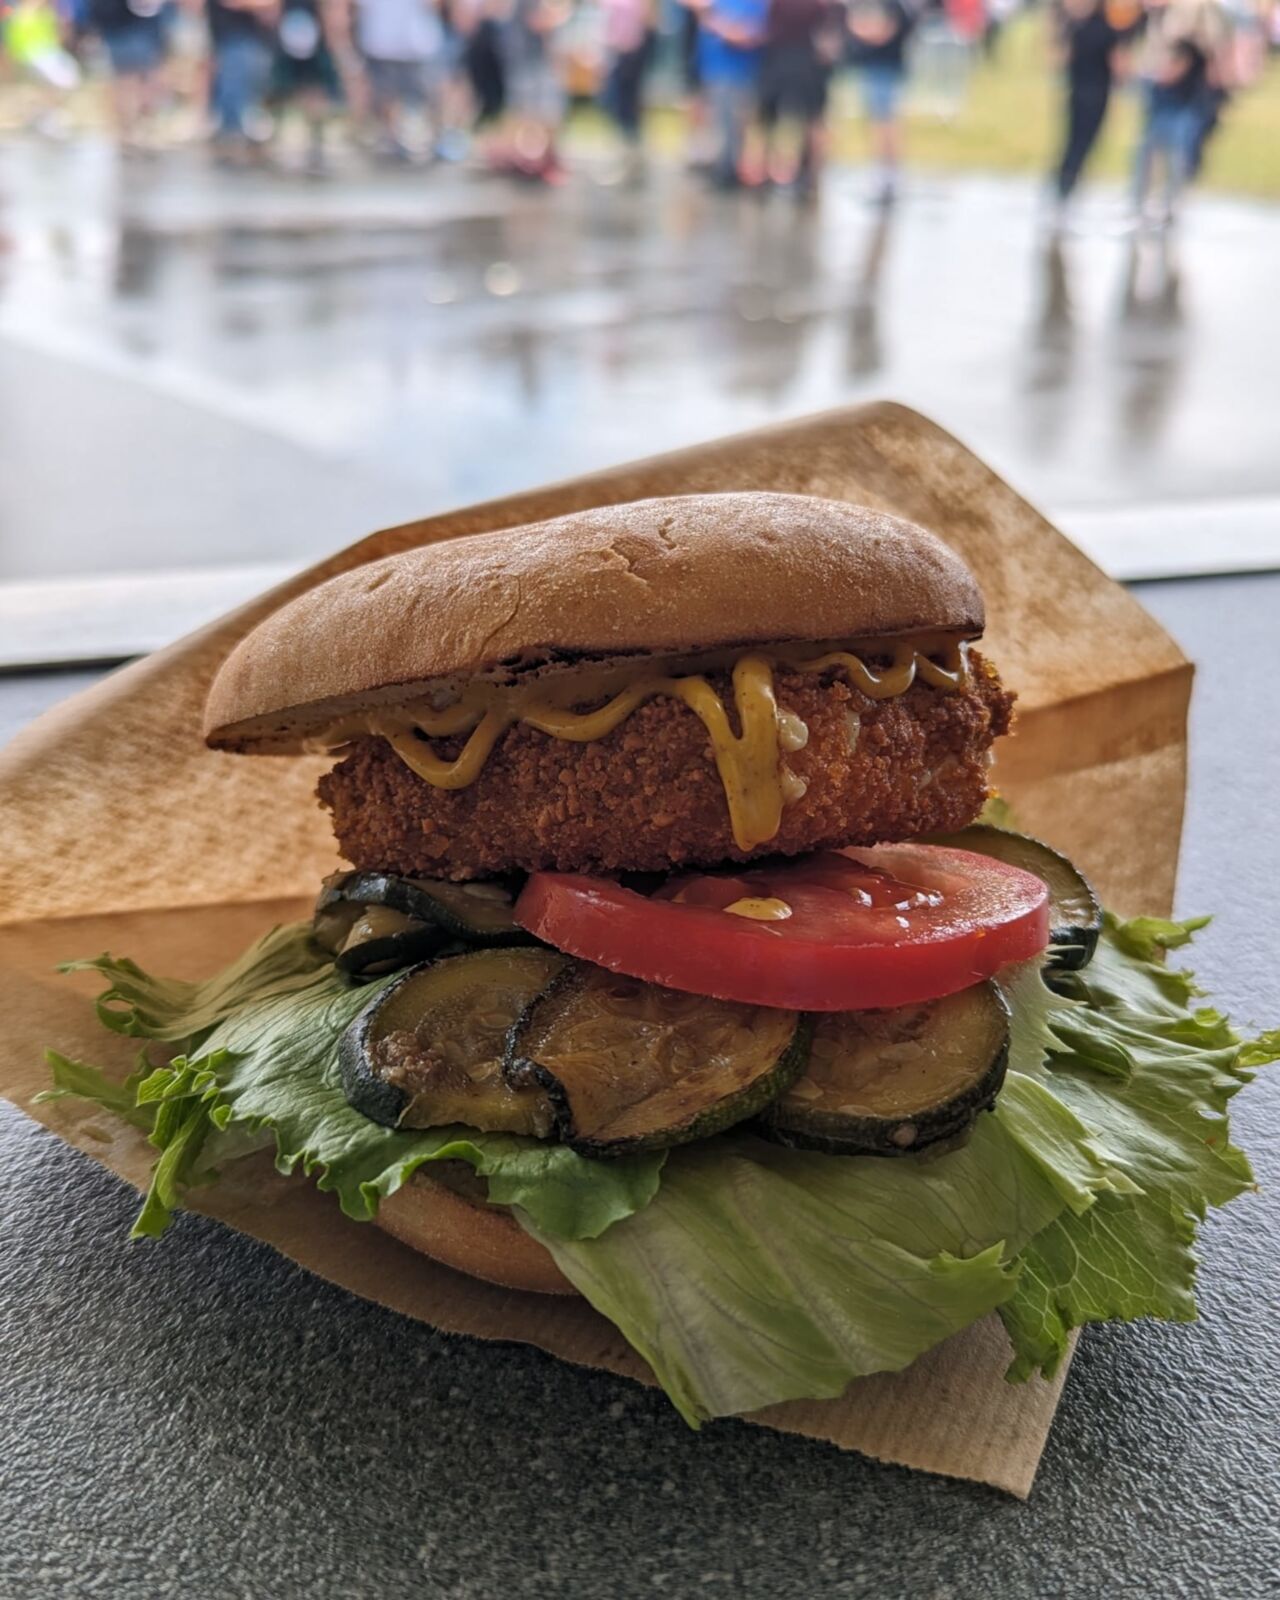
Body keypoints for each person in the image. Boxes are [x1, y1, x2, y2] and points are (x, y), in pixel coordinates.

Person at [1132, 0, 1228, 222]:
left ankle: (1170, 202)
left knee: (1177, 149)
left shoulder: (1199, 10)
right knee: (1150, 147)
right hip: (1160, 86)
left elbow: (1208, 45)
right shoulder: (1162, 12)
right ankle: (1142, 202)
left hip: (1186, 93)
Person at [1048, 0, 1138, 215]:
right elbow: (1119, 68)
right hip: (1096, 95)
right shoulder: (1107, 28)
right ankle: (1065, 190)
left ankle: (1063, 190)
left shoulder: (1078, 26)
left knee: (1072, 142)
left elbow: (1061, 60)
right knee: (1082, 145)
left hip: (1078, 93)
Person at [756, 0, 841, 197]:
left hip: (788, 61)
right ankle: (804, 175)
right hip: (799, 62)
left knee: (777, 120)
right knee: (804, 120)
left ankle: (782, 171)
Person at [352, 0, 446, 160]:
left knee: (425, 96)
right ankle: (392, 140)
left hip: (415, 42)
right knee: (386, 97)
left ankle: (431, 139)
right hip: (382, 41)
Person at [846, 0, 915, 204]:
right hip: (880, 69)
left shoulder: (895, 7)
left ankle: (887, 177)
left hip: (885, 69)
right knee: (880, 125)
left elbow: (881, 33)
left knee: (884, 127)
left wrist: (855, 28)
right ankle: (884, 175)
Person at [497, 0, 570, 182]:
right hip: (530, 61)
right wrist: (562, 15)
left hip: (527, 60)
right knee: (534, 113)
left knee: (533, 113)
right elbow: (538, 22)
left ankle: (531, 159)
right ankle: (529, 160)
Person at [697, 0, 768, 189]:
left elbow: (756, 32)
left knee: (736, 124)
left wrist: (728, 30)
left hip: (742, 71)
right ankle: (724, 167)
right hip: (717, 69)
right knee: (722, 122)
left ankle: (731, 170)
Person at [267, 0, 344, 170]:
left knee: (314, 89)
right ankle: (283, 135)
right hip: (291, 31)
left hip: (313, 34)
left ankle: (315, 140)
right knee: (286, 88)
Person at [86, 0, 167, 147]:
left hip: (133, 27)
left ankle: (132, 131)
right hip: (126, 27)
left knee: (135, 82)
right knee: (130, 83)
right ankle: (131, 131)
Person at [206, 0, 278, 161]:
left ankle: (235, 138)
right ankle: (232, 138)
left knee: (243, 90)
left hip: (245, 37)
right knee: (234, 91)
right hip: (234, 37)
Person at [599, 0, 655, 177]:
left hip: (630, 56)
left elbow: (648, 20)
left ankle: (631, 157)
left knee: (627, 108)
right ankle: (626, 154)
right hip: (615, 55)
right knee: (611, 105)